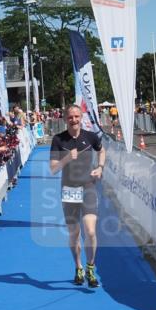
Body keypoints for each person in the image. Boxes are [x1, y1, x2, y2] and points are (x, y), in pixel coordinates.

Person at [49, 104, 105, 288]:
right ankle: (78, 267)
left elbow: (101, 150)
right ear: (65, 119)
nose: (74, 120)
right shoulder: (58, 139)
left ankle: (90, 266)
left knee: (90, 231)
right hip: (69, 190)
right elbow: (53, 169)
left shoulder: (90, 136)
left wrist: (100, 167)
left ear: (81, 118)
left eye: (76, 116)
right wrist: (66, 158)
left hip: (88, 187)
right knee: (74, 234)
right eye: (70, 117)